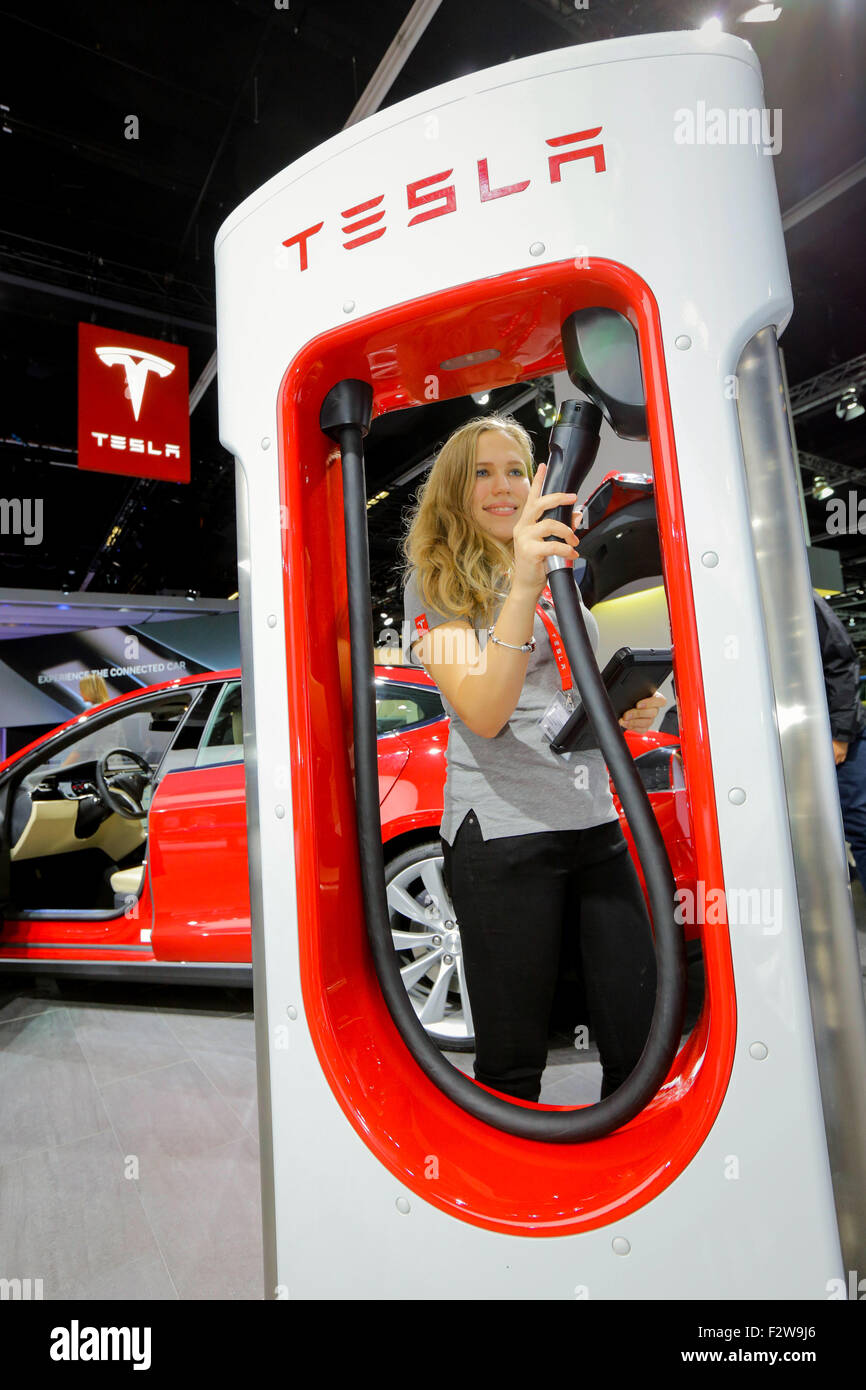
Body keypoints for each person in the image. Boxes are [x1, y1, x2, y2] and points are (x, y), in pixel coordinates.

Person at [401, 413, 665, 1103]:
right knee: (516, 1059)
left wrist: (632, 709)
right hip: (504, 838)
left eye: (516, 470)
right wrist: (521, 581)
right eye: (482, 473)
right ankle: (519, 1201)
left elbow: (573, 691)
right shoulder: (436, 587)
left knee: (638, 1038)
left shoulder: (560, 573)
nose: (503, 486)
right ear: (454, 491)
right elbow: (484, 711)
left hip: (593, 821)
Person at [813, 592, 866, 889]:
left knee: (861, 826)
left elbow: (842, 663)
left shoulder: (798, 597)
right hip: (795, 743)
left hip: (840, 738)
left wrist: (840, 736)